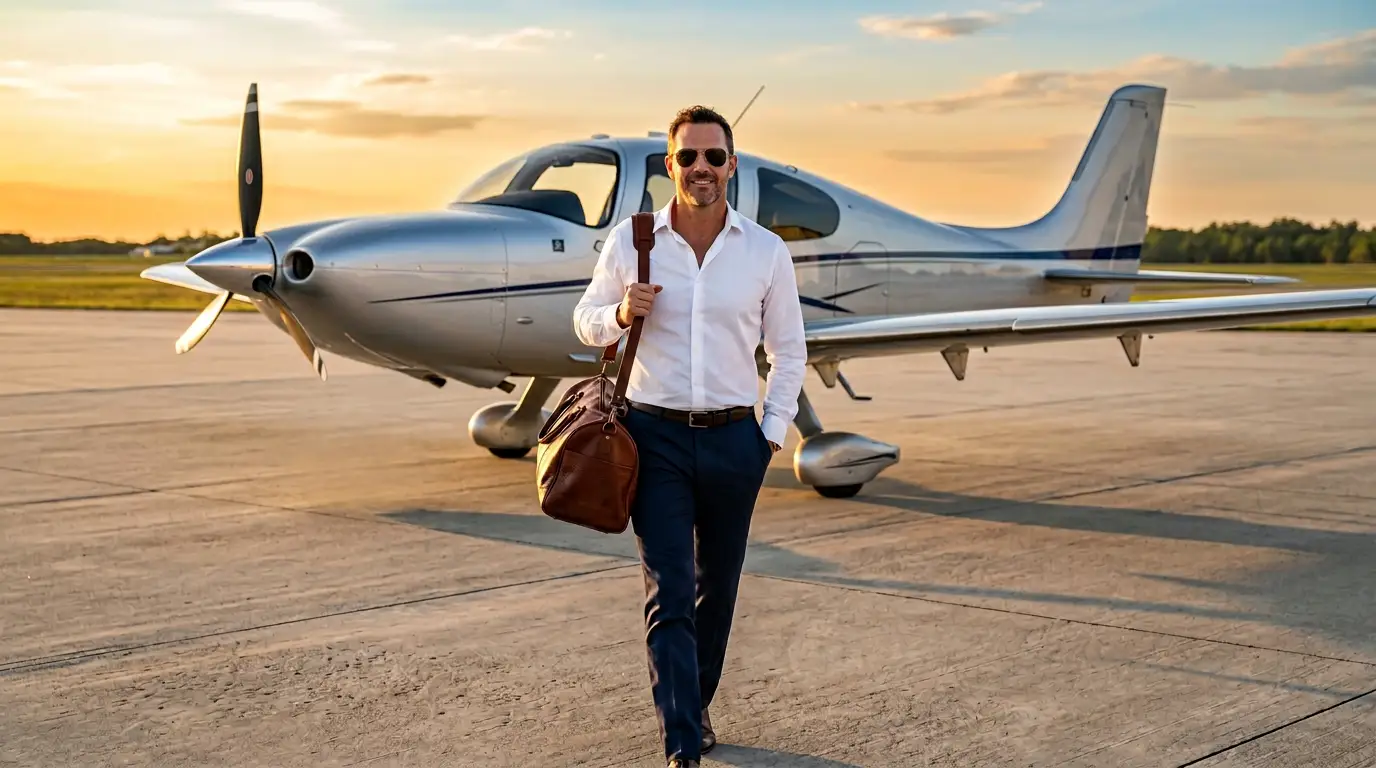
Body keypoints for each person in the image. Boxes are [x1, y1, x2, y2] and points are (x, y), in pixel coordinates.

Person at [572, 105, 807, 767]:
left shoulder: (764, 251)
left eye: (714, 156)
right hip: (655, 439)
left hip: (737, 441)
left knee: (718, 590)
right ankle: (681, 744)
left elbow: (789, 352)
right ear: (669, 166)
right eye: (687, 157)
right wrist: (620, 312)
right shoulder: (633, 240)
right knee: (668, 592)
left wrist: (769, 436)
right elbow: (584, 321)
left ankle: (695, 702)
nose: (701, 168)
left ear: (732, 164)